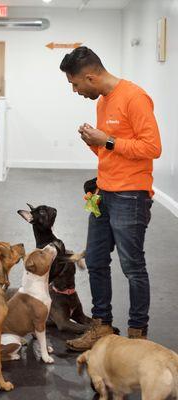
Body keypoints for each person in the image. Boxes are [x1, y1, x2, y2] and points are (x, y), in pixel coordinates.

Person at [59, 46, 162, 351]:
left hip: (131, 195)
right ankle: (102, 325)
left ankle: (137, 334)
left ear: (90, 76)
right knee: (95, 259)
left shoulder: (134, 97)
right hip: (104, 192)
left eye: (76, 84)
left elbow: (152, 147)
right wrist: (95, 142)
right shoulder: (103, 102)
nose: (75, 90)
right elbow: (111, 150)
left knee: (132, 266)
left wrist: (108, 140)